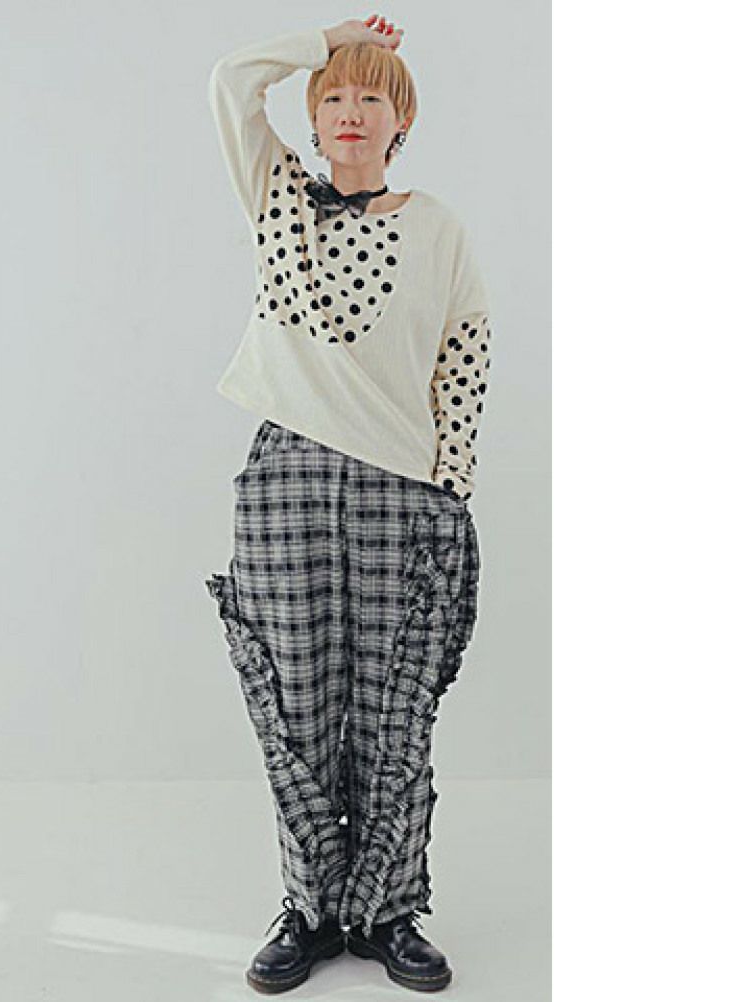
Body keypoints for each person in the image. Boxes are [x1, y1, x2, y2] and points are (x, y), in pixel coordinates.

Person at [204, 13, 492, 994]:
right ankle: (311, 907)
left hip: (400, 486)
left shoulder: (440, 228)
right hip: (287, 473)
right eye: (334, 96)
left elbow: (465, 352)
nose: (352, 110)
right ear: (315, 117)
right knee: (295, 699)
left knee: (393, 710)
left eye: (373, 96)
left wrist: (452, 481)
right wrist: (326, 38)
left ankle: (389, 910)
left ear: (402, 121)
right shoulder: (276, 191)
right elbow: (230, 80)